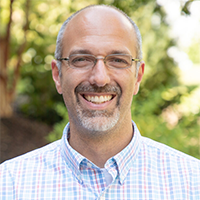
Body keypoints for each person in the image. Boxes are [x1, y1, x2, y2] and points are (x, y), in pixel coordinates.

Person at [0, 4, 199, 200]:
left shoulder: (191, 183)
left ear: (138, 77)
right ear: (57, 76)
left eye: (118, 60)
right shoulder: (10, 185)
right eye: (81, 59)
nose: (100, 78)